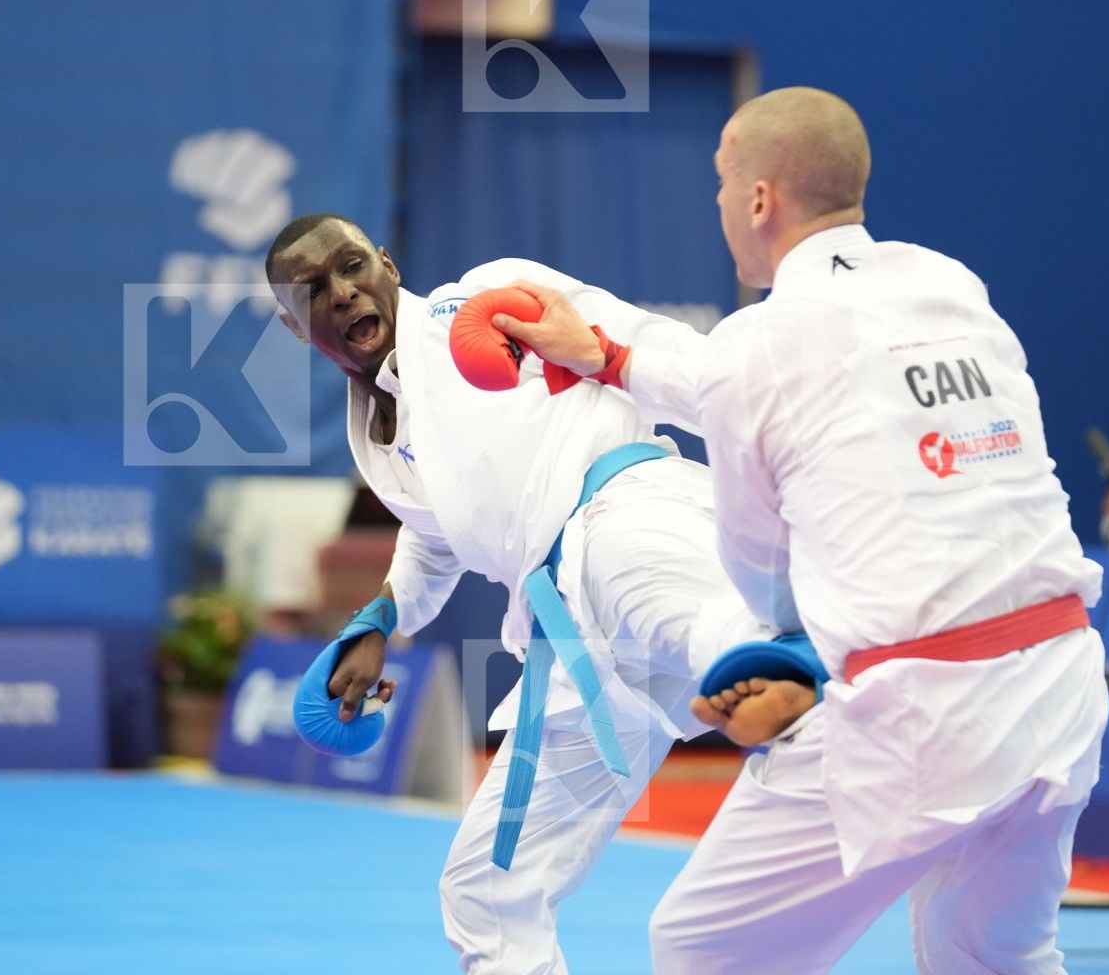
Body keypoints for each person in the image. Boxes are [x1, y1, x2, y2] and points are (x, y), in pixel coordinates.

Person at [495, 87, 1109, 974]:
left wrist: (768, 660)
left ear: (757, 199)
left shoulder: (760, 342)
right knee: (994, 955)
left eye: (719, 181)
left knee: (702, 948)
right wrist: (612, 355)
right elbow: (775, 381)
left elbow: (765, 577)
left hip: (921, 711)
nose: (716, 203)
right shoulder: (947, 285)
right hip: (1059, 676)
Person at [264, 214, 794, 975]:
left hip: (629, 512)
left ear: (385, 262)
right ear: (294, 325)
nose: (342, 292)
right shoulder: (373, 434)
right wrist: (382, 615)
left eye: (351, 266)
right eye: (314, 291)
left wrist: (617, 361)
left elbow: (675, 356)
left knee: (732, 642)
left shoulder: (482, 299)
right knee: (486, 891)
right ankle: (811, 688)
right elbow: (442, 528)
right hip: (571, 630)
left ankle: (824, 685)